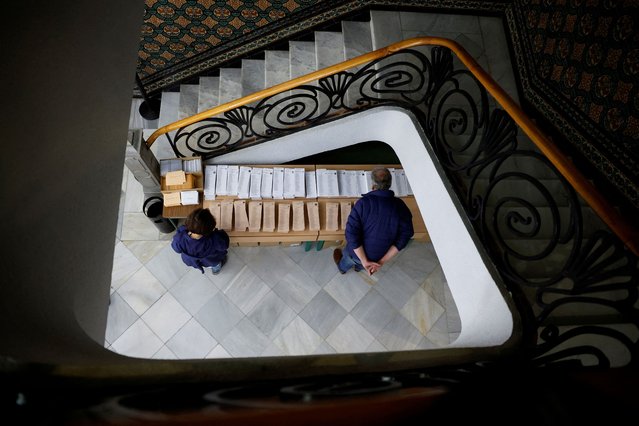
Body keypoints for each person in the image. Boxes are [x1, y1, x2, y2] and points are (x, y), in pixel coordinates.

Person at [333, 167, 414, 275]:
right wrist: (381, 262)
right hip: (378, 257)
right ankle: (358, 268)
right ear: (389, 184)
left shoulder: (363, 203)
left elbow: (351, 234)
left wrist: (364, 260)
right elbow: (405, 236)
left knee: (347, 261)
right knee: (361, 265)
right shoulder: (400, 206)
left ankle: (342, 269)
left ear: (373, 186)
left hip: (356, 253)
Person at [171, 207, 230, 275]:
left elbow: (176, 249)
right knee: (215, 264)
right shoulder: (214, 239)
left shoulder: (179, 237)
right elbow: (224, 245)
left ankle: (214, 269)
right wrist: (217, 232)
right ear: (210, 230)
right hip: (211, 260)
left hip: (192, 261)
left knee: (209, 265)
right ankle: (216, 268)